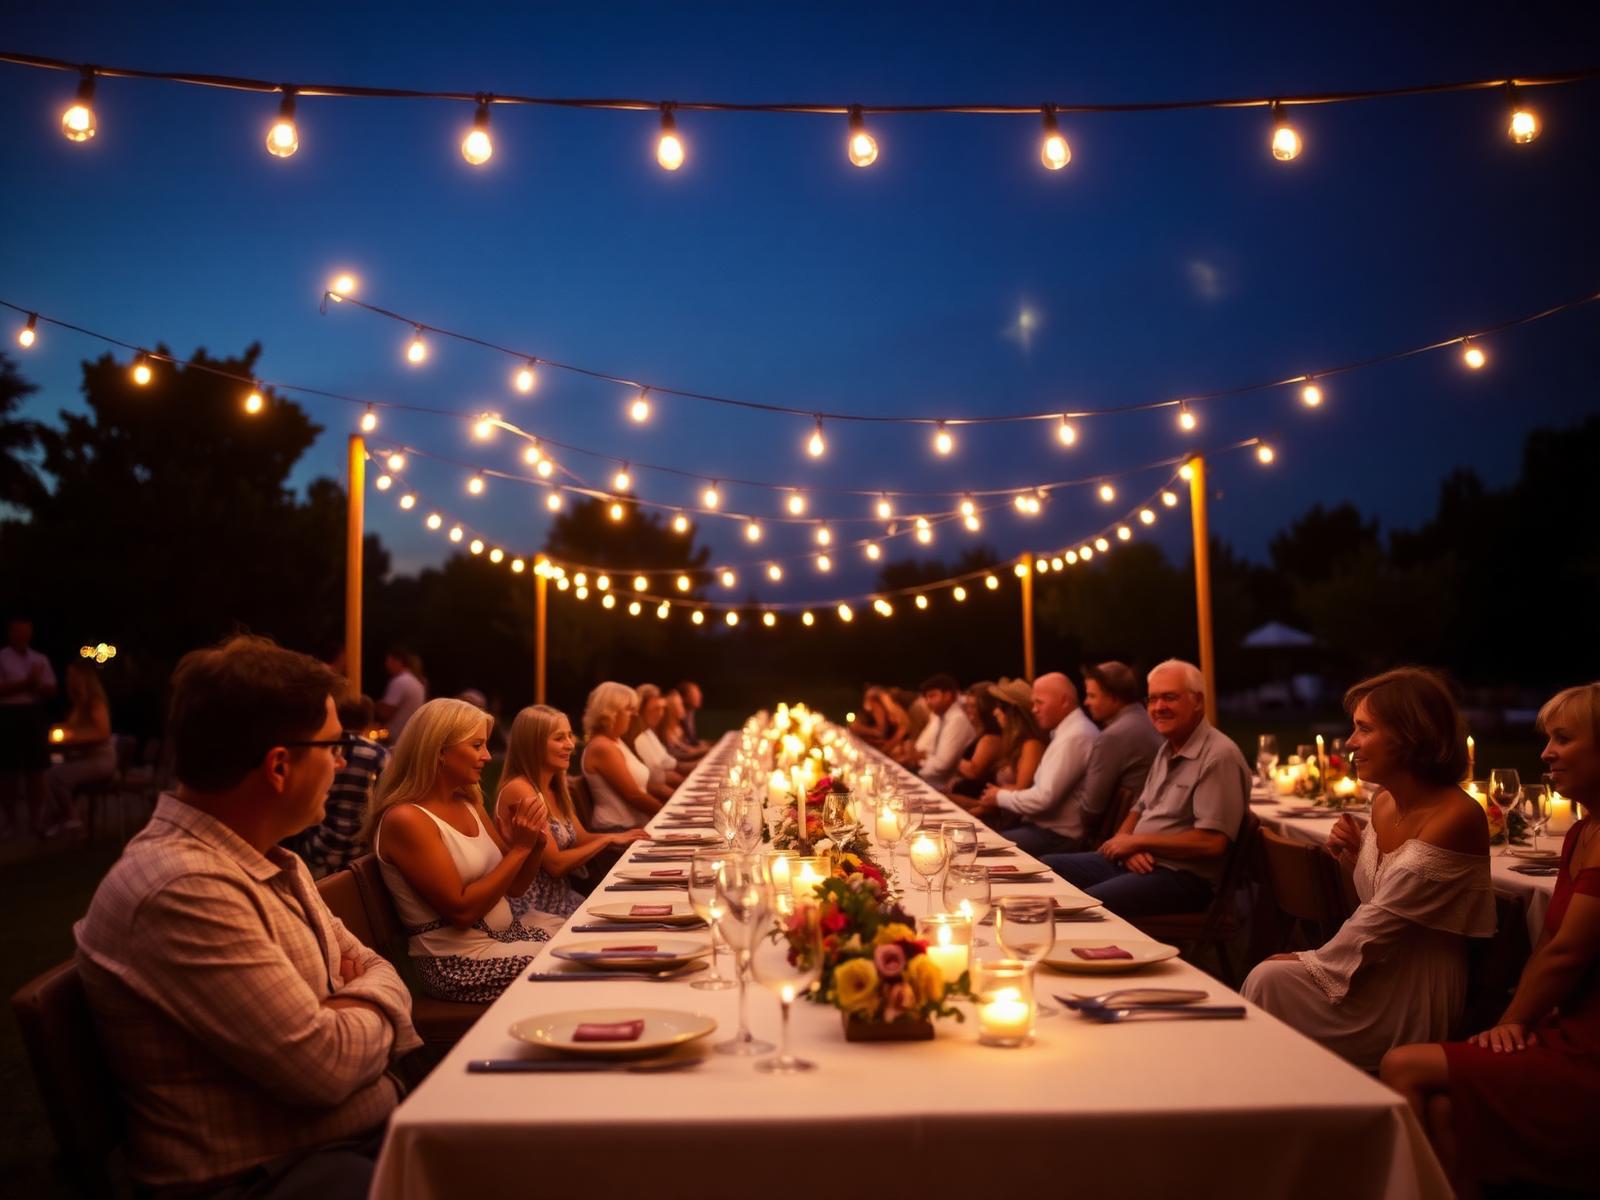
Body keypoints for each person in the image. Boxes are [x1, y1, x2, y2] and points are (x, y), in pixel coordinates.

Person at [74, 635, 420, 1196]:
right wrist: (372, 997)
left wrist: (351, 999)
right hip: (275, 1178)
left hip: (340, 1149)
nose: (342, 762)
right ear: (280, 766)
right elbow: (325, 1066)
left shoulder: (267, 860)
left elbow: (377, 969)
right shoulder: (184, 889)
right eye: (334, 746)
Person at [1379, 681, 1600, 1195]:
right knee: (1441, 1108)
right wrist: (1524, 1018)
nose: (1546, 753)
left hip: (1589, 1047)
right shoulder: (1581, 832)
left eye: (1564, 739)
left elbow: (1567, 954)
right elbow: (1549, 943)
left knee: (1401, 1064)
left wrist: (1509, 1022)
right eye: (1548, 739)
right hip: (1562, 1025)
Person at [1242, 667, 1492, 1071]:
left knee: (1268, 980)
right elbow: (1377, 901)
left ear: (1410, 734)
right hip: (1371, 964)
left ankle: (1275, 1088)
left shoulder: (1456, 816)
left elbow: (1380, 921)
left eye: (1364, 729)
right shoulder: (1384, 802)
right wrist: (1355, 858)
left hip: (1414, 988)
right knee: (1268, 981)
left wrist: (1313, 962)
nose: (1351, 742)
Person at [364, 698, 557, 1003]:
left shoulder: (468, 803)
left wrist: (534, 844)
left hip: (503, 938)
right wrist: (519, 850)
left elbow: (516, 887)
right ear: (440, 751)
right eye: (477, 746)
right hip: (457, 963)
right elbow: (462, 912)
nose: (487, 756)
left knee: (584, 940)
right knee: (570, 963)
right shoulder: (407, 819)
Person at [1043, 660, 1249, 917]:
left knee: (1087, 905)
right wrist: (1125, 845)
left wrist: (1137, 842)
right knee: (1047, 870)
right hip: (1143, 861)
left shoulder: (1218, 756)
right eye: (1152, 699)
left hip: (1183, 878)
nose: (1158, 707)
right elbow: (1140, 807)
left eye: (1169, 698)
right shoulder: (1168, 746)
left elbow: (1212, 843)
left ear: (1197, 700)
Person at [497, 704, 649, 920]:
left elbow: (581, 838)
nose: (570, 745)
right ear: (533, 744)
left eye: (570, 736)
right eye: (559, 738)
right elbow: (556, 865)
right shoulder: (520, 790)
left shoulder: (554, 787)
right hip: (535, 909)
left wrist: (623, 837)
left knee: (639, 906)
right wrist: (608, 839)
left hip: (563, 899)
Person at [968, 673, 1099, 857]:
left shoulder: (1075, 736)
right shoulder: (1067, 732)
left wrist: (999, 796)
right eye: (1032, 704)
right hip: (1044, 830)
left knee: (975, 848)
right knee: (969, 841)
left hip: (1057, 836)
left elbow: (1043, 799)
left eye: (1039, 703)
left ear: (1064, 701)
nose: (1034, 710)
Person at [295, 691, 388, 879]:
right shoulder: (378, 754)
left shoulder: (325, 748)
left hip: (318, 849)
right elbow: (386, 800)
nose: (340, 763)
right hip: (357, 855)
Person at [1077, 661, 1165, 840]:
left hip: (1120, 836)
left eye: (1092, 696)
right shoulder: (1149, 721)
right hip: (1149, 829)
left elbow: (1090, 812)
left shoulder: (1113, 737)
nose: (1086, 702)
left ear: (1113, 697)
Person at [44, 662, 116, 837]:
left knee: (57, 776)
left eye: (72, 675)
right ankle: (58, 819)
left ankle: (71, 817)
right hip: (83, 758)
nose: (68, 680)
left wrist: (72, 738)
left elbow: (103, 732)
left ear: (83, 678)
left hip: (100, 759)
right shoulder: (78, 705)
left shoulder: (95, 702)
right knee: (51, 772)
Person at [0, 615, 57, 836]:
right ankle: (10, 821)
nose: (21, 636)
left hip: (33, 714)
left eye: (25, 632)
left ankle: (36, 820)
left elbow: (50, 688)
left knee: (36, 768)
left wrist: (35, 686)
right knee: (8, 770)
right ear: (10, 633)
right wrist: (25, 684)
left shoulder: (39, 659)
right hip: (8, 715)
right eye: (17, 631)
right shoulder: (2, 658)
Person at [582, 681, 663, 829]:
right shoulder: (602, 746)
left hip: (632, 827)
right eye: (629, 709)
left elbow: (641, 787)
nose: (635, 714)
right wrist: (666, 812)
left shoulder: (616, 740)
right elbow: (633, 795)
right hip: (616, 830)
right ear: (611, 712)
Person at [911, 673, 979, 790]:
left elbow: (942, 765)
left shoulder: (957, 719)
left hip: (941, 786)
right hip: (929, 780)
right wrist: (920, 757)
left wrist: (920, 760)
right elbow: (919, 747)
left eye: (932, 696)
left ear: (948, 696)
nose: (928, 702)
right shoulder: (939, 717)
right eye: (926, 697)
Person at [988, 678, 1048, 790]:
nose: (995, 712)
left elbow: (1021, 789)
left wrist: (995, 793)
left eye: (1000, 706)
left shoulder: (1032, 745)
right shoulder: (1016, 743)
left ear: (1014, 713)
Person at [630, 683, 683, 797]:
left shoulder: (648, 732)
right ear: (639, 710)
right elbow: (654, 779)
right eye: (655, 709)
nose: (661, 714)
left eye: (662, 709)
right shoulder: (636, 738)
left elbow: (668, 763)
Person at [951, 683, 1003, 799]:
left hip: (977, 799)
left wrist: (951, 757)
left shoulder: (991, 738)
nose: (968, 710)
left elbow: (973, 772)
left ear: (985, 708)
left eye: (973, 706)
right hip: (965, 794)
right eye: (966, 706)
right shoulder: (980, 732)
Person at [373, 649, 425, 741]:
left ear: (398, 662)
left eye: (389, 661)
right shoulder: (417, 683)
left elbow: (385, 712)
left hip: (394, 739)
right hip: (409, 736)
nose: (386, 666)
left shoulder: (399, 682)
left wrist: (374, 706)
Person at [661, 689, 708, 763]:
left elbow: (689, 749)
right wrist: (705, 752)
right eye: (680, 704)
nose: (683, 708)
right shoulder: (666, 733)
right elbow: (679, 757)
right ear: (672, 710)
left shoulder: (678, 729)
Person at [675, 679, 712, 754]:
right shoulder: (676, 719)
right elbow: (684, 750)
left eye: (699, 693)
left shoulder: (691, 713)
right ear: (684, 698)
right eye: (695, 694)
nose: (700, 696)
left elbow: (693, 742)